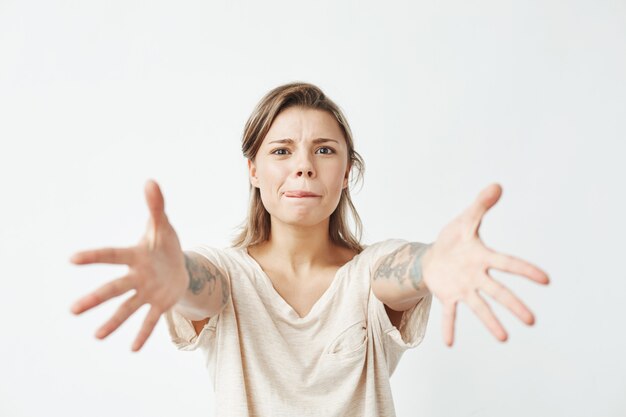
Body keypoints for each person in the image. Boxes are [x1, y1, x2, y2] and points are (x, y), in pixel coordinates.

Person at [69, 82, 550, 417]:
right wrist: (178, 278)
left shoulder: (369, 274)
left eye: (324, 150)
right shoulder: (226, 273)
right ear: (254, 171)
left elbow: (398, 272)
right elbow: (203, 287)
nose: (303, 166)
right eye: (281, 151)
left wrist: (430, 263)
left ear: (346, 173)